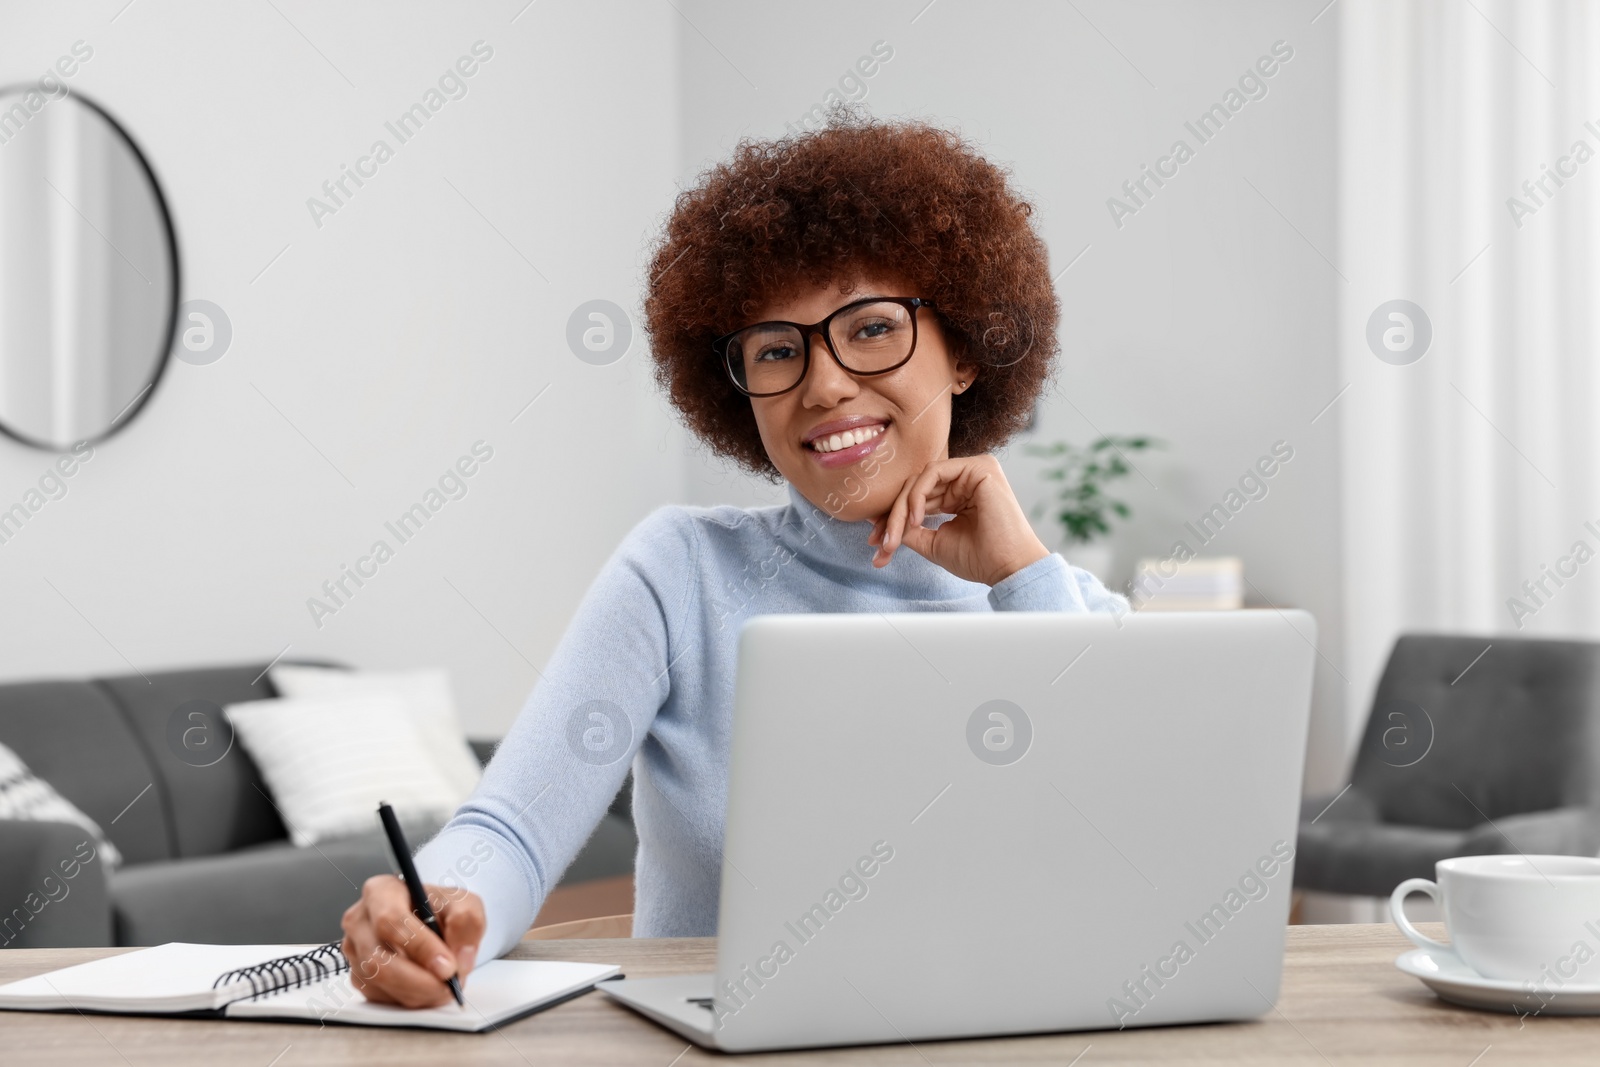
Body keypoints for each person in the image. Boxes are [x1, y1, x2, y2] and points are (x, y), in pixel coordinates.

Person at [340, 114, 1128, 1007]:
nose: (824, 383)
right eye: (778, 350)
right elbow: (514, 828)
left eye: (871, 329)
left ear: (963, 353)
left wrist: (1022, 575)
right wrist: (440, 898)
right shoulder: (681, 573)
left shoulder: (1070, 614)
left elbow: (1118, 863)